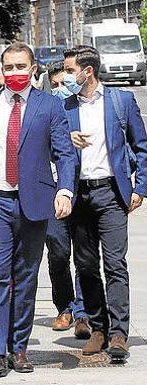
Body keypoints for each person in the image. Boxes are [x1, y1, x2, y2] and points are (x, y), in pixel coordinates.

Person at [0, 43, 77, 379]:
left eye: (20, 67)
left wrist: (65, 190)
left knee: (25, 279)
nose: (14, 74)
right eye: (8, 67)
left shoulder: (50, 106)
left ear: (33, 68)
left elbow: (65, 154)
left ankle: (19, 347)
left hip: (34, 205)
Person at [63, 46, 147, 361]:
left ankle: (118, 334)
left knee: (115, 264)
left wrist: (141, 187)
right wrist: (66, 138)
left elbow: (142, 145)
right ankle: (98, 328)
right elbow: (50, 146)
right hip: (78, 195)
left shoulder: (120, 101)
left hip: (111, 194)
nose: (66, 77)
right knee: (85, 266)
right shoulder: (64, 107)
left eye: (70, 71)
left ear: (88, 71)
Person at [45, 61, 90, 339]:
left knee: (84, 255)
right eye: (55, 85)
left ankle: (83, 312)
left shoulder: (82, 109)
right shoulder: (45, 112)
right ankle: (65, 306)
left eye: (65, 83)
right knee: (59, 253)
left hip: (82, 191)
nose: (61, 90)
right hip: (53, 194)